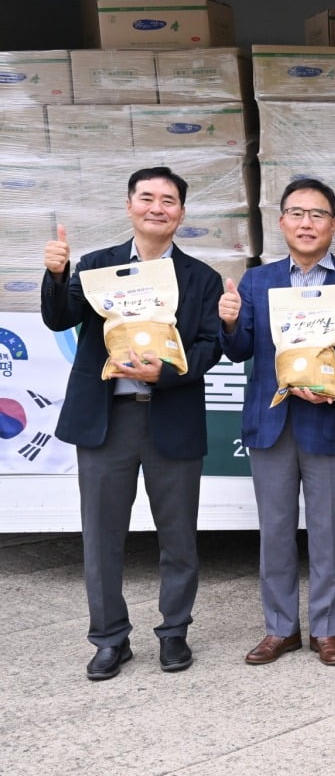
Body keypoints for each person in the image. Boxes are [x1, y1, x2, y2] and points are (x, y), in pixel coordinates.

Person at [40, 166, 223, 680]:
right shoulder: (96, 267)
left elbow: (211, 346)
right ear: (129, 206)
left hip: (171, 417)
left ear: (181, 214)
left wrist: (168, 373)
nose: (157, 208)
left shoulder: (201, 278)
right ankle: (109, 639)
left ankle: (174, 633)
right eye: (147, 198)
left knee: (178, 537)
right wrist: (57, 275)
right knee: (101, 538)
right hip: (105, 420)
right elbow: (59, 318)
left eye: (169, 201)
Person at [218, 179, 335, 667]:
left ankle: (326, 630)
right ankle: (280, 628)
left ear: (334, 224)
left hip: (326, 423)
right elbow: (240, 349)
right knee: (275, 531)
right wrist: (228, 321)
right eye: (297, 213)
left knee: (328, 533)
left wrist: (333, 387)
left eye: (318, 215)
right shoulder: (257, 282)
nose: (307, 223)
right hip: (271, 425)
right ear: (281, 221)